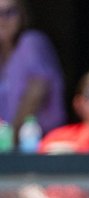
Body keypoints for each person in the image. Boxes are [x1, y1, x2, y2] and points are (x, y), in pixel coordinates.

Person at [0, 0, 65, 134]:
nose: (3, 19)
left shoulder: (31, 42)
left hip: (39, 142)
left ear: (23, 15)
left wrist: (12, 136)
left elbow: (36, 92)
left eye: (10, 12)